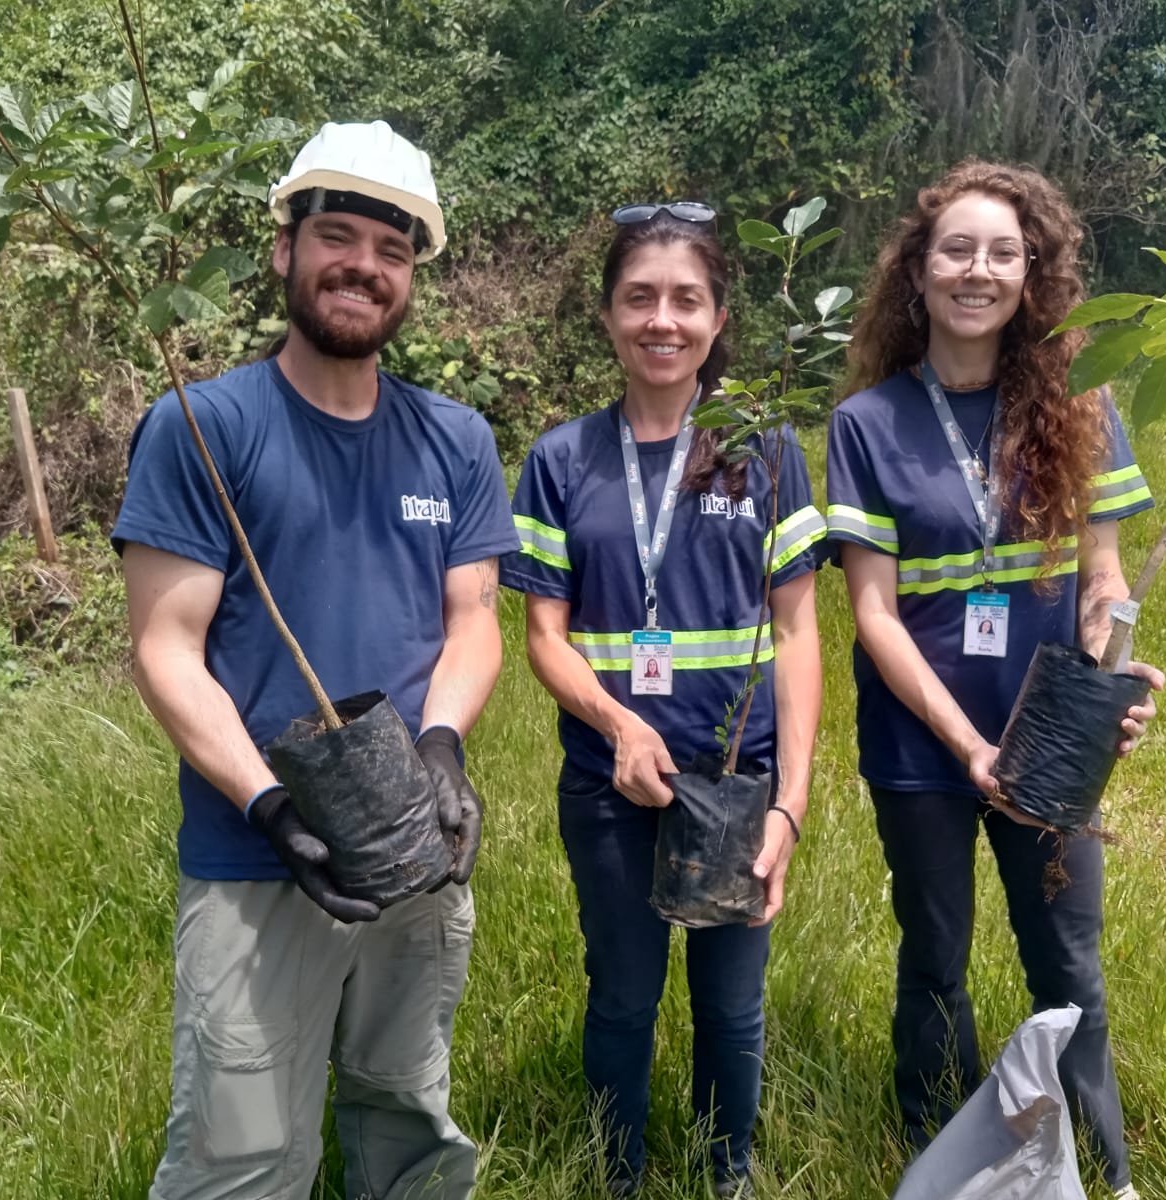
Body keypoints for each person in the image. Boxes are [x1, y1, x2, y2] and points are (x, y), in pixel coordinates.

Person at [113, 121, 520, 1200]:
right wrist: (266, 810)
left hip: (414, 852)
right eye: (336, 235)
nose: (364, 266)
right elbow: (164, 646)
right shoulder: (205, 426)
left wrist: (442, 746)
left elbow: (474, 619)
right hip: (255, 864)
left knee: (406, 1107)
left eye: (392, 251)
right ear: (285, 248)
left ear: (414, 275)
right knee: (240, 1153)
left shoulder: (456, 440)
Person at [825, 160, 1165, 1200]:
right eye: (957, 250)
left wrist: (1114, 667)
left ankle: (1099, 1167)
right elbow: (873, 611)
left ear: (1035, 272)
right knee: (933, 954)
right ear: (917, 273)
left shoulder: (1084, 402)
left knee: (1067, 962)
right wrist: (962, 742)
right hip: (919, 744)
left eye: (1003, 253)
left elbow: (1102, 572)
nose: (979, 271)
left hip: (1052, 738)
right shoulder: (868, 423)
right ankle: (941, 1154)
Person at [501, 202, 826, 1198]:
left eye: (687, 299)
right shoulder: (561, 462)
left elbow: (800, 634)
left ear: (720, 318)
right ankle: (618, 1174)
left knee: (732, 1005)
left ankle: (728, 1173)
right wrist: (618, 722)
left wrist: (791, 801)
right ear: (606, 316)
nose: (663, 320)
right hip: (609, 784)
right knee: (624, 996)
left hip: (736, 787)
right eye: (639, 297)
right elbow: (543, 641)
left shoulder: (766, 454)